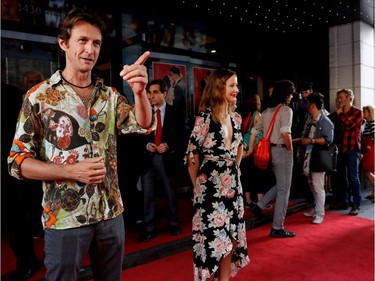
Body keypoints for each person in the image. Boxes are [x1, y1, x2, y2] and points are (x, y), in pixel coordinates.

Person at [7, 7, 154, 281]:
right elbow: (18, 162)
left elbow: (143, 124)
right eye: (82, 41)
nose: (90, 49)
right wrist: (70, 171)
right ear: (63, 43)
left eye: (96, 43)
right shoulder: (39, 97)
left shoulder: (109, 96)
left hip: (110, 213)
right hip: (64, 218)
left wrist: (140, 92)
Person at [185, 69, 250, 280]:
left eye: (236, 85)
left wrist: (234, 168)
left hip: (233, 187)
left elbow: (240, 147)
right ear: (218, 87)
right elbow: (191, 155)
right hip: (210, 189)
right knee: (211, 243)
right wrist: (198, 187)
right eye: (231, 85)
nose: (236, 90)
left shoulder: (237, 118)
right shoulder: (204, 118)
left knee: (229, 240)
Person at [248, 79, 296, 238]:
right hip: (282, 151)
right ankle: (277, 227)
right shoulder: (286, 110)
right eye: (290, 94)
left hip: (269, 153)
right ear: (286, 94)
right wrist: (290, 149)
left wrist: (250, 149)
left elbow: (254, 131)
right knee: (284, 190)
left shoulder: (267, 111)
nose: (291, 97)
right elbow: (285, 133)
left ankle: (259, 205)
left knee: (281, 185)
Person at [139, 79, 185, 242]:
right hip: (148, 160)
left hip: (167, 158)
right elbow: (136, 136)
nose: (151, 96)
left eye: (155, 92)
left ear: (164, 94)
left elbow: (183, 137)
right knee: (148, 195)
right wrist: (146, 144)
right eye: (149, 92)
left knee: (170, 193)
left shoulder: (175, 112)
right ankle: (149, 227)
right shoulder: (144, 112)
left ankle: (173, 223)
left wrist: (168, 145)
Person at [297, 93, 334, 224]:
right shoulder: (310, 119)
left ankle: (320, 213)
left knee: (318, 185)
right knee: (311, 183)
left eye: (307, 103)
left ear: (312, 105)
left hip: (317, 157)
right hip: (308, 156)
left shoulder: (325, 121)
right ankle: (316, 208)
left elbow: (328, 139)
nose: (305, 106)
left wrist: (311, 140)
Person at [329, 89, 363, 215]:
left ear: (349, 98)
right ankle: (344, 201)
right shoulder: (339, 113)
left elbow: (348, 124)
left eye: (341, 97)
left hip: (352, 148)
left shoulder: (358, 112)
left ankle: (356, 204)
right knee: (342, 176)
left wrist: (339, 115)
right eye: (338, 97)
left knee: (353, 177)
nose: (339, 100)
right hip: (341, 148)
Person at [239, 94, 274, 208]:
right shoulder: (256, 115)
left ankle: (248, 201)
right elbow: (262, 131)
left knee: (246, 175)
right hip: (255, 148)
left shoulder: (243, 115)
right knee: (259, 175)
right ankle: (261, 202)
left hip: (244, 147)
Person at [361, 105, 374, 203]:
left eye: (364, 112)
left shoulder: (372, 123)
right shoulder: (367, 123)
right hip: (369, 149)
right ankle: (374, 194)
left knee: (367, 171)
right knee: (372, 172)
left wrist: (370, 145)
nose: (363, 113)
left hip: (370, 150)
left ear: (369, 112)